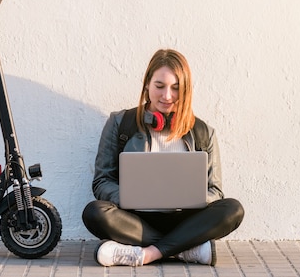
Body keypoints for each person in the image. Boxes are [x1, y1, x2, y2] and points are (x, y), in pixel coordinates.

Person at [82, 49, 244, 267]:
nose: (167, 96)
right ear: (147, 84)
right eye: (160, 86)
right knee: (94, 212)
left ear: (186, 90)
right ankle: (186, 249)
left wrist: (192, 197)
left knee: (233, 209)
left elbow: (215, 191)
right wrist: (131, 197)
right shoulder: (121, 124)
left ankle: (148, 253)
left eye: (176, 88)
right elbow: (102, 182)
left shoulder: (204, 132)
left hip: (186, 220)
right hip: (135, 220)